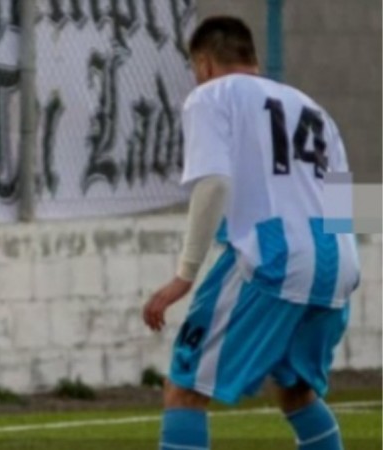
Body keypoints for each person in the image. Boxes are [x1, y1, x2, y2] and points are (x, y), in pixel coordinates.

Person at [143, 16, 360, 450]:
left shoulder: (210, 96)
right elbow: (342, 198)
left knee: (185, 388)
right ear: (253, 58)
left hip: (272, 259)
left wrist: (185, 275)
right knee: (295, 389)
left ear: (203, 64)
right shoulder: (316, 109)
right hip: (338, 263)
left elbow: (214, 183)